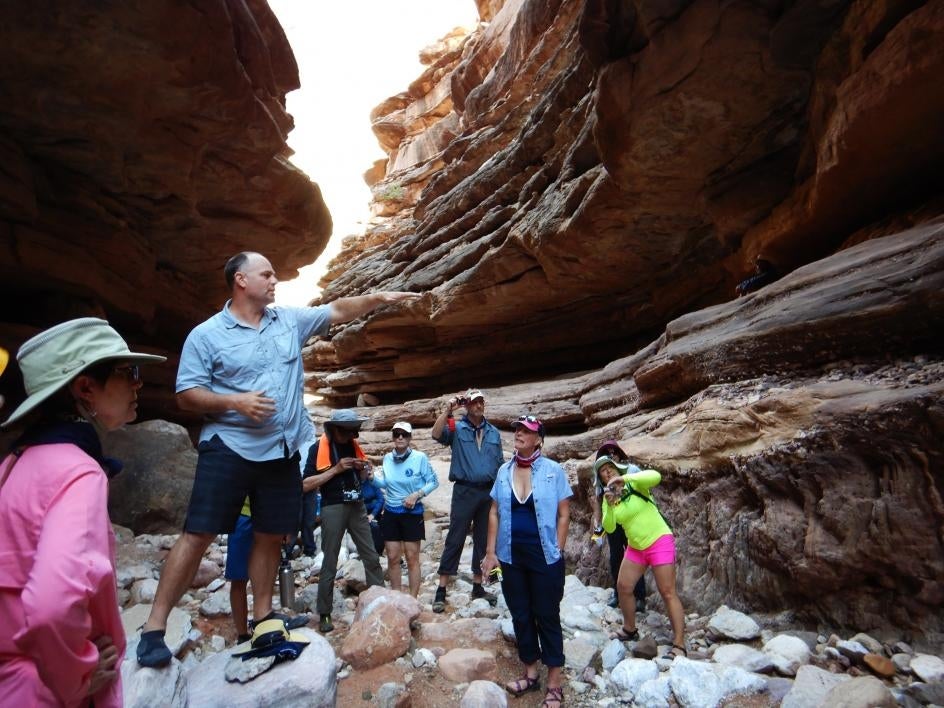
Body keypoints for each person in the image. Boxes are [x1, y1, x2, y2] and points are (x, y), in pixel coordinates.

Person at [137, 251, 420, 666]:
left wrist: (379, 297)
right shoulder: (207, 335)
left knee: (271, 533)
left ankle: (265, 616)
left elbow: (338, 309)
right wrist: (235, 402)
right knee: (198, 533)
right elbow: (186, 394)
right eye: (266, 274)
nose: (274, 281)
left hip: (281, 451)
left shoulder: (288, 320)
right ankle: (154, 627)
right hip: (229, 447)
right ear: (240, 280)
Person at [0, 317, 165, 705]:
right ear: (86, 388)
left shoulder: (13, 465)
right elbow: (49, 607)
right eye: (128, 372)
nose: (138, 383)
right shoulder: (79, 472)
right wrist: (77, 676)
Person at [482, 415, 571, 708]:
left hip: (544, 555)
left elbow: (563, 514)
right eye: (517, 429)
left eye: (527, 431)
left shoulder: (553, 471)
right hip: (510, 557)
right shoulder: (503, 471)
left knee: (546, 614)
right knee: (520, 614)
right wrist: (490, 552)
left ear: (538, 439)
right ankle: (532, 672)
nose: (519, 433)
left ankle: (555, 682)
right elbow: (493, 512)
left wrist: (557, 549)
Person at [595, 454, 687, 659]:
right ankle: (629, 628)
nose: (607, 472)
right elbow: (609, 526)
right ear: (600, 480)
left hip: (659, 540)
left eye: (610, 467)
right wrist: (609, 505)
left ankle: (679, 644)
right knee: (624, 587)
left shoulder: (635, 484)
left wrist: (625, 479)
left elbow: (655, 476)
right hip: (636, 547)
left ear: (618, 469)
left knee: (667, 591)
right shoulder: (608, 499)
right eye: (602, 471)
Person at [302, 409, 385, 633]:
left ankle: (380, 605)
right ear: (335, 429)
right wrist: (336, 469)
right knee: (330, 561)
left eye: (354, 431)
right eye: (348, 431)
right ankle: (325, 613)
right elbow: (306, 484)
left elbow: (360, 477)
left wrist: (363, 470)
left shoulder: (351, 446)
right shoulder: (317, 449)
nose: (352, 436)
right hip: (333, 506)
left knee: (371, 555)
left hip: (357, 505)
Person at [430, 388, 504, 612]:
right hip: (464, 490)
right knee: (456, 536)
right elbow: (436, 434)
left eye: (481, 401)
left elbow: (500, 463)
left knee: (483, 538)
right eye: (474, 402)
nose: (478, 405)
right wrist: (448, 410)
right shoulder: (456, 427)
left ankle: (478, 585)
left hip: (488, 492)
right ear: (467, 405)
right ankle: (441, 589)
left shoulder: (494, 433)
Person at [374, 421, 439, 596]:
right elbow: (385, 484)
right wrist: (371, 478)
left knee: (412, 559)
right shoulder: (387, 458)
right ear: (393, 437)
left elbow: (433, 481)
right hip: (390, 512)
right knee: (393, 558)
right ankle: (396, 598)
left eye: (404, 434)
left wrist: (417, 495)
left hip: (412, 513)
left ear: (410, 437)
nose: (400, 437)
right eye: (397, 434)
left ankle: (412, 600)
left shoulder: (420, 458)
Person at [590, 440, 647, 612]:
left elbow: (645, 493)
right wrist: (597, 525)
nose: (611, 455)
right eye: (607, 453)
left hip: (631, 521)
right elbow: (599, 501)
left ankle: (640, 597)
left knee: (635, 556)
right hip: (614, 522)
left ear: (619, 454)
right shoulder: (602, 478)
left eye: (614, 452)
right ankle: (618, 593)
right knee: (616, 557)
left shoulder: (632, 471)